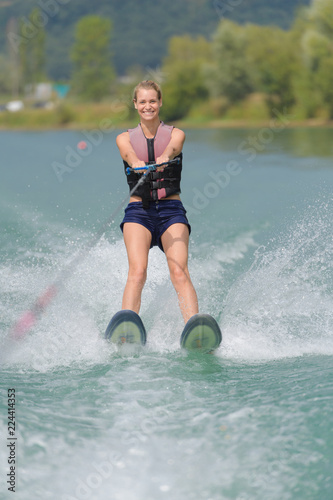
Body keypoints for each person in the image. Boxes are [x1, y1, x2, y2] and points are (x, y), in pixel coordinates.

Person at [116, 80, 198, 323]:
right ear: (135, 105)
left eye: (153, 101)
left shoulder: (177, 134)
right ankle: (127, 326)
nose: (148, 106)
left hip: (171, 211)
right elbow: (129, 154)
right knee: (138, 272)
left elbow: (173, 149)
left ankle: (194, 327)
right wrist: (136, 163)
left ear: (160, 102)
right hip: (138, 212)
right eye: (143, 101)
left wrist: (163, 157)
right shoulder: (123, 138)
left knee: (179, 271)